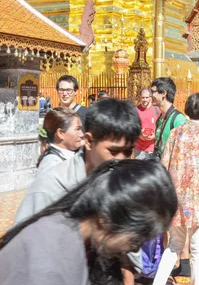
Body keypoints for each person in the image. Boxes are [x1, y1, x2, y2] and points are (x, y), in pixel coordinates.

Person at [0, 159, 177, 285]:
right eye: (135, 240)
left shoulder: (82, 238)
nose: (134, 248)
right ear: (107, 219)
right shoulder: (48, 260)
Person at [13, 98, 143, 284]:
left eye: (128, 151)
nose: (121, 160)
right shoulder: (51, 187)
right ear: (89, 141)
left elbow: (127, 255)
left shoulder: (122, 184)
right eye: (113, 152)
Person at [153, 93, 199, 285]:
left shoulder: (176, 133)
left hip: (175, 198)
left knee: (174, 246)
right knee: (198, 252)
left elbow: (164, 163)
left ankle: (158, 282)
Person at [37, 107, 84, 173]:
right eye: (77, 129)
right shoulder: (53, 164)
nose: (82, 134)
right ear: (60, 133)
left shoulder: (68, 157)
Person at [151, 77, 187, 160]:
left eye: (153, 92)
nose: (151, 95)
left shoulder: (178, 120)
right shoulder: (160, 117)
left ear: (164, 93)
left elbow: (183, 151)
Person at [134, 88, 159, 160]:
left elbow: (161, 126)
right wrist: (139, 134)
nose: (145, 100)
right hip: (139, 148)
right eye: (143, 97)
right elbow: (133, 127)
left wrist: (155, 135)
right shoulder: (136, 110)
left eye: (147, 97)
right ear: (140, 98)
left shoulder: (156, 110)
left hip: (152, 148)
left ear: (150, 98)